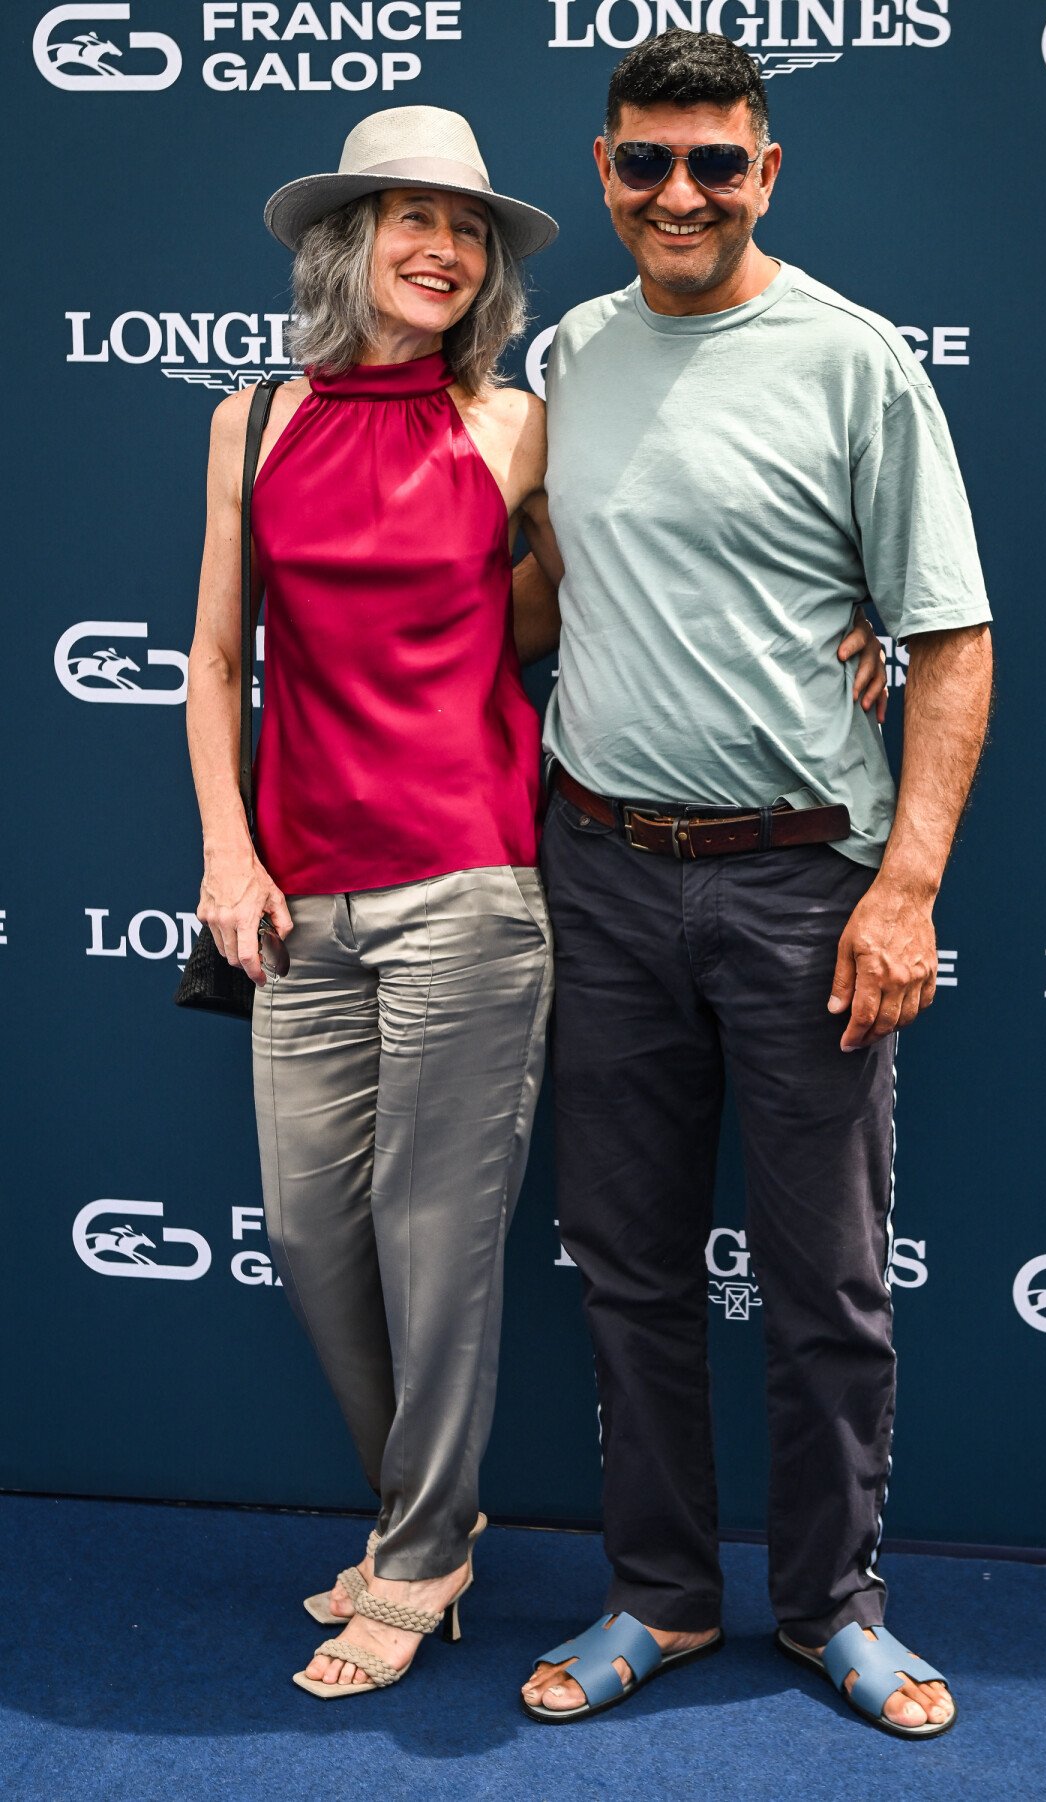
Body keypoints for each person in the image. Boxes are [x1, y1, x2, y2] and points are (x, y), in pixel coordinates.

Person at [186, 98, 887, 1703]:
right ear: (346, 241)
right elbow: (219, 660)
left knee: (439, 1253)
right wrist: (227, 848)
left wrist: (865, 625)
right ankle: (426, 1505)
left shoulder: (518, 421)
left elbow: (652, 566)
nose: (440, 246)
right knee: (311, 1231)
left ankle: (421, 1558)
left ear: (489, 266)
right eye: (408, 219)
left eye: (468, 229)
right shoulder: (252, 424)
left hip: (476, 880)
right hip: (297, 894)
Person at [520, 32, 993, 1739]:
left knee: (830, 1279)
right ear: (603, 171)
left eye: (715, 162)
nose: (680, 194)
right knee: (628, 1267)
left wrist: (908, 885)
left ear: (766, 174)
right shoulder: (560, 349)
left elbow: (947, 635)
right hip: (602, 872)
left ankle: (832, 1605)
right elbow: (539, 600)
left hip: (809, 886)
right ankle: (658, 1591)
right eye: (647, 162)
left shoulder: (852, 361)